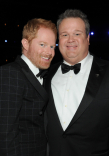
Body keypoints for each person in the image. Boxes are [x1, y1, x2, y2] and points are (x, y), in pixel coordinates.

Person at [45, 9, 109, 156]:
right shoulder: (46, 75)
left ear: (88, 38)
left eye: (77, 34)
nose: (70, 39)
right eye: (64, 34)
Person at [0, 18, 57, 156]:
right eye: (42, 44)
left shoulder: (45, 74)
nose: (49, 52)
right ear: (25, 43)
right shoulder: (11, 73)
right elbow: (4, 134)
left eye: (52, 46)